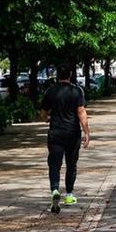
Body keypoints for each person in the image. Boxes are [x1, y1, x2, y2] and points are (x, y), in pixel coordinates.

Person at [41, 64, 90, 214]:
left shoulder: (50, 91)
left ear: (57, 75)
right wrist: (87, 132)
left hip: (55, 133)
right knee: (71, 164)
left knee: (54, 164)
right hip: (72, 133)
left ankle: (55, 190)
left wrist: (48, 119)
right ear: (70, 75)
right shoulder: (76, 91)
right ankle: (69, 195)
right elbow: (81, 112)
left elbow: (43, 113)